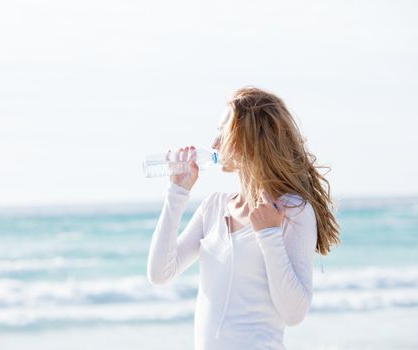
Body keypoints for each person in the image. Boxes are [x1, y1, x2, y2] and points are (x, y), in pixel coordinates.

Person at [146, 86, 341, 350]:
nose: (214, 143)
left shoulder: (292, 210)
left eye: (222, 132)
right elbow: (160, 273)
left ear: (248, 138)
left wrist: (269, 234)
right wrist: (177, 192)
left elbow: (294, 314)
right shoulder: (214, 207)